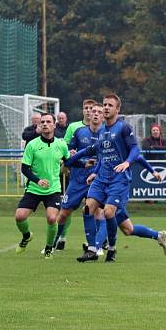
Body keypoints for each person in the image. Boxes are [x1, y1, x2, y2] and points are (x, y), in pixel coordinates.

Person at [67, 94, 166, 263]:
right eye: (104, 104)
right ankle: (94, 248)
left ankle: (108, 248)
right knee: (91, 209)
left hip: (119, 181)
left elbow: (136, 152)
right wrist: (71, 161)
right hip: (102, 180)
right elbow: (100, 155)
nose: (106, 108)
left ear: (117, 109)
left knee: (109, 213)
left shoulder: (123, 128)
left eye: (109, 105)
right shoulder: (101, 132)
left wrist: (129, 163)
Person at [14, 113, 69, 258]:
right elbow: (24, 168)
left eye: (48, 122)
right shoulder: (32, 145)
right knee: (19, 217)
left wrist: (83, 163)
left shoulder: (61, 145)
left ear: (54, 125)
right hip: (34, 188)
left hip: (53, 189)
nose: (45, 124)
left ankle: (49, 248)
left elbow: (69, 161)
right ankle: (26, 236)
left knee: (52, 218)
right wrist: (37, 180)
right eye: (42, 122)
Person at [53, 103, 103, 251]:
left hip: (96, 180)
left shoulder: (107, 134)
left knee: (96, 211)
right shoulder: (79, 132)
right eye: (92, 111)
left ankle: (97, 246)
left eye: (98, 112)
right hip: (77, 179)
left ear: (103, 116)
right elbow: (69, 155)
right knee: (63, 214)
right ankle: (55, 242)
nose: (94, 114)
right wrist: (75, 158)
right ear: (87, 113)